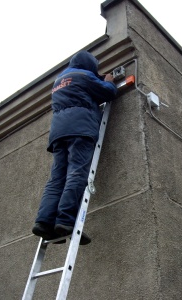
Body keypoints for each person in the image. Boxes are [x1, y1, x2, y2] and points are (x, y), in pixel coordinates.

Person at [32, 50, 117, 244]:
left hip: (58, 132)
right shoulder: (84, 75)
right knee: (77, 173)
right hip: (80, 129)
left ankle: (44, 222)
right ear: (89, 64)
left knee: (57, 179)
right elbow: (108, 92)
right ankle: (65, 221)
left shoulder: (59, 81)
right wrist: (110, 80)